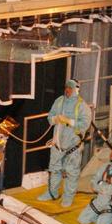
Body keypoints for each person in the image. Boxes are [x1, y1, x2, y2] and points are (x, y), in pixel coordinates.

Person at [38, 77, 92, 209]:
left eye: (70, 88)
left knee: (71, 172)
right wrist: (54, 119)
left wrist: (69, 121)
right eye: (66, 88)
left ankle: (68, 198)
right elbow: (50, 117)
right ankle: (51, 193)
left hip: (73, 145)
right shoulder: (59, 101)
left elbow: (85, 124)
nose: (67, 90)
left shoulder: (82, 107)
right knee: (54, 168)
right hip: (57, 143)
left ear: (76, 90)